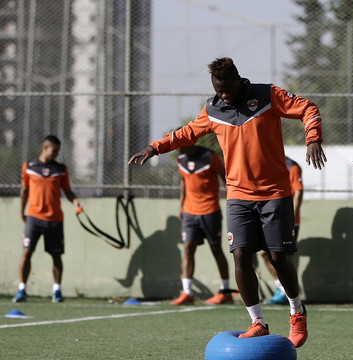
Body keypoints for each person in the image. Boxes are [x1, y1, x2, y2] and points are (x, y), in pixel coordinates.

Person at [128, 57, 326, 348]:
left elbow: (308, 108)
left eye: (227, 90)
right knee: (240, 255)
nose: (223, 95)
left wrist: (313, 138)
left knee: (278, 258)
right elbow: (186, 133)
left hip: (274, 193)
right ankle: (257, 321)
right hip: (238, 196)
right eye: (218, 91)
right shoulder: (213, 109)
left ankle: (297, 311)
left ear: (238, 80)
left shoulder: (267, 95)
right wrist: (155, 147)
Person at [13, 135, 81, 303]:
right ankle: (22, 290)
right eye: (54, 151)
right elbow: (24, 191)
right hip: (33, 218)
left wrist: (76, 202)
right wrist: (22, 211)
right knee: (26, 252)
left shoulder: (61, 169)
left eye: (58, 151)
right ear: (45, 148)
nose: (56, 154)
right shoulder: (29, 167)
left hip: (55, 219)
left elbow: (67, 191)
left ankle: (56, 291)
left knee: (56, 256)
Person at [171, 144, 236, 305]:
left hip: (210, 210)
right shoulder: (180, 158)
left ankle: (225, 291)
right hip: (189, 212)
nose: (176, 148)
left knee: (216, 248)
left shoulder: (210, 156)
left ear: (189, 142)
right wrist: (181, 206)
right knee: (188, 248)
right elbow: (183, 182)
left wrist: (233, 202)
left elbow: (224, 178)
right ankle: (187, 292)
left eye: (180, 144)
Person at [260, 156, 304, 305]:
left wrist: (290, 217)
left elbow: (298, 192)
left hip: (287, 219)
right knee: (264, 253)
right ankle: (282, 288)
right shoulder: (265, 162)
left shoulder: (292, 166)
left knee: (285, 256)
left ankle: (290, 294)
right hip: (268, 217)